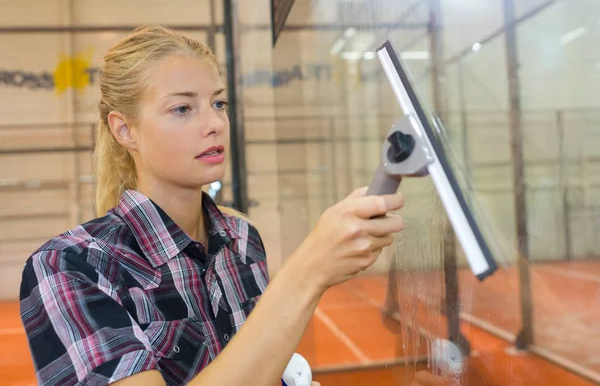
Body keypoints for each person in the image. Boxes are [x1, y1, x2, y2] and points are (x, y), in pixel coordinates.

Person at [19, 25, 455, 386]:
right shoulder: (69, 266)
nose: (213, 124)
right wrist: (308, 272)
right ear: (125, 131)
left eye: (219, 103)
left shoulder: (241, 240)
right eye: (182, 108)